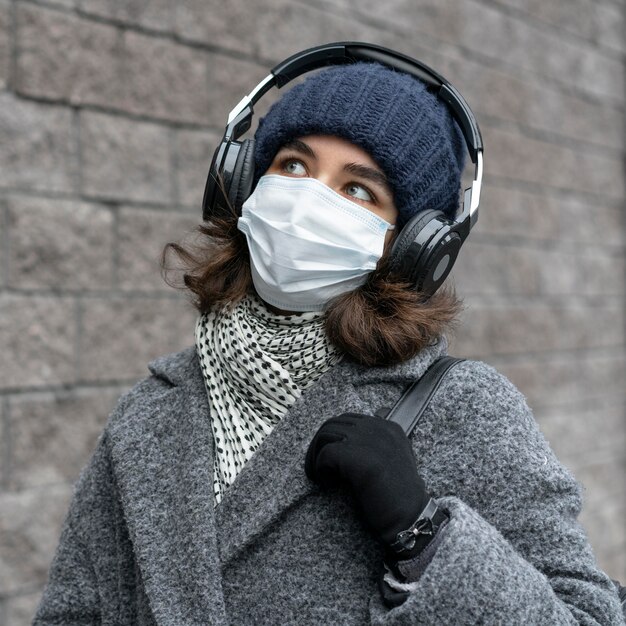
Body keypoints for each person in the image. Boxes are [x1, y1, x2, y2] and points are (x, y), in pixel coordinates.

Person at [33, 48, 625, 625]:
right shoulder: (150, 412)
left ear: (414, 248)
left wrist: (422, 534)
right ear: (242, 185)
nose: (308, 200)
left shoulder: (464, 409)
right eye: (292, 165)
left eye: (358, 189)